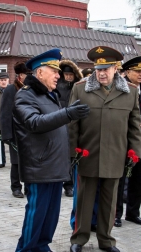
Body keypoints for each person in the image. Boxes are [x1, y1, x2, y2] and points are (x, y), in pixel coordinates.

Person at [13, 48, 90, 252]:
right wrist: (68, 114)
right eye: (53, 71)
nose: (58, 75)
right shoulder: (25, 95)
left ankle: (41, 245)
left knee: (51, 212)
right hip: (39, 164)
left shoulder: (49, 94)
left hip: (55, 163)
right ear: (39, 73)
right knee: (37, 211)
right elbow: (35, 123)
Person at [68, 46, 141, 252]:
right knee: (84, 200)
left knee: (109, 202)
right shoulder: (80, 89)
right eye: (98, 68)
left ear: (116, 68)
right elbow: (72, 124)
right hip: (88, 154)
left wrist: (133, 152)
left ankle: (106, 240)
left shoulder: (130, 91)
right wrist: (73, 153)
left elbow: (134, 126)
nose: (101, 73)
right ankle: (79, 238)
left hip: (115, 155)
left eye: (106, 68)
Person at [115, 56, 141, 227]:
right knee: (120, 179)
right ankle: (116, 214)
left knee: (137, 180)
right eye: (138, 71)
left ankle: (133, 213)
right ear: (127, 72)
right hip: (123, 142)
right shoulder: (119, 88)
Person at [0, 61, 31, 198]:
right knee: (16, 161)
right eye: (27, 74)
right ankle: (16, 186)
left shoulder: (31, 88)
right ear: (20, 75)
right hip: (15, 131)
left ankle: (29, 186)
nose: (29, 77)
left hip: (30, 131)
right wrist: (6, 133)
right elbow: (5, 112)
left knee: (30, 161)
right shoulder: (11, 89)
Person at [57, 59, 83, 197]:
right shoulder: (58, 86)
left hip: (73, 125)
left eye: (70, 75)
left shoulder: (77, 87)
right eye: (66, 74)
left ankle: (69, 185)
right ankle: (60, 182)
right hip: (60, 123)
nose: (68, 77)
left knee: (72, 158)